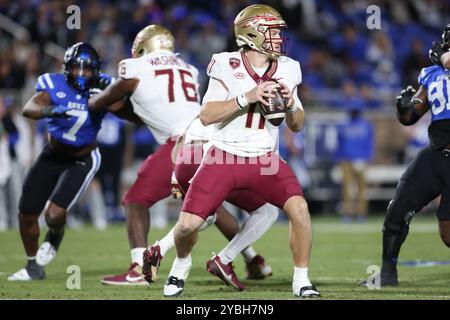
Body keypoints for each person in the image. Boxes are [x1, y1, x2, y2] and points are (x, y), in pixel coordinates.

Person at [89, 25, 276, 286]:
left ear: (142, 47)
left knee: (135, 200)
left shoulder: (135, 67)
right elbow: (147, 112)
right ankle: (255, 261)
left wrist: (93, 97)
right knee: (210, 204)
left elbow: (105, 102)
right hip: (211, 139)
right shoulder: (187, 68)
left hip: (182, 145)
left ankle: (139, 267)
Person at [162, 4, 320, 298]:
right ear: (251, 33)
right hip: (224, 155)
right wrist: (246, 97)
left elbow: (297, 124)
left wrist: (289, 107)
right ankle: (181, 264)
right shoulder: (226, 63)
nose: (277, 38)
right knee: (186, 226)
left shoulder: (289, 67)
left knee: (299, 210)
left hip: (265, 159)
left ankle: (301, 281)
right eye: (271, 31)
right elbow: (207, 115)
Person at [7, 43, 113, 281]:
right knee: (25, 213)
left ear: (96, 70)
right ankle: (33, 267)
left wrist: (116, 92)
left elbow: (125, 106)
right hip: (52, 154)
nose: (82, 74)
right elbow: (29, 107)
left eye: (87, 70)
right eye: (77, 68)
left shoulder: (104, 86)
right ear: (67, 68)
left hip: (83, 157)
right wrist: (49, 111)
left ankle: (55, 235)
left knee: (53, 215)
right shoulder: (53, 83)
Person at [366, 24, 450, 287]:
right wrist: (402, 107)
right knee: (398, 208)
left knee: (448, 234)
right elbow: (412, 115)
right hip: (437, 154)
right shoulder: (433, 74)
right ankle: (388, 273)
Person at [337, 106, 374, 222]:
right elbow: (339, 144)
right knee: (347, 188)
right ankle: (348, 213)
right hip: (347, 159)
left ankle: (361, 214)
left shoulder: (366, 125)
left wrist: (368, 158)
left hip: (360, 159)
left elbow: (369, 143)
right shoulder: (344, 125)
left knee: (361, 188)